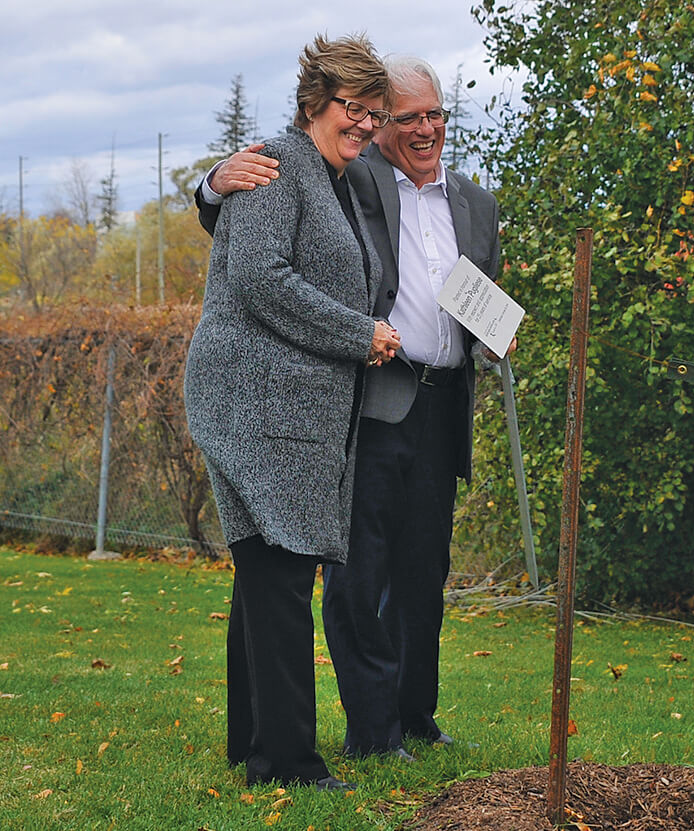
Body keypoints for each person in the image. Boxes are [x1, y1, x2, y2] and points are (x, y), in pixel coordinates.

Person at [198, 56, 508, 758]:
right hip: (366, 399)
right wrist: (213, 180)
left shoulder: (474, 203)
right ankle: (368, 733)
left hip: (442, 402)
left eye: (434, 114)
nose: (423, 128)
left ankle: (412, 716)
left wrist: (498, 332)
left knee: (423, 572)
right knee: (354, 576)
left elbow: (477, 295)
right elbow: (257, 211)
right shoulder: (351, 174)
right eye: (405, 117)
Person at [183, 34, 398, 790]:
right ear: (315, 102)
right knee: (278, 579)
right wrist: (359, 331)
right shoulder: (275, 165)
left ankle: (255, 745)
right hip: (258, 402)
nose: (367, 124)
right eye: (354, 108)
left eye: (376, 113)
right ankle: (290, 763)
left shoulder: (332, 176)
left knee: (264, 578)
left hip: (284, 404)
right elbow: (261, 278)